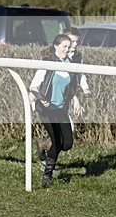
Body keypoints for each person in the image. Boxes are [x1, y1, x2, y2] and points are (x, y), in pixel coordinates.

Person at [29, 34, 84, 186]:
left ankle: (43, 144)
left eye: (69, 46)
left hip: (61, 110)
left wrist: (76, 99)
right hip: (46, 110)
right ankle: (47, 175)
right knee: (58, 142)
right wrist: (41, 98)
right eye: (64, 46)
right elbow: (33, 87)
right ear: (56, 47)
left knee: (67, 144)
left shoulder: (70, 63)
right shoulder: (47, 63)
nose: (67, 49)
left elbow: (71, 87)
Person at [64, 27, 91, 98]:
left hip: (70, 92)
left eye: (77, 41)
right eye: (72, 41)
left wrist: (85, 88)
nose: (75, 44)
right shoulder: (55, 55)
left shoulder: (78, 56)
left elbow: (80, 74)